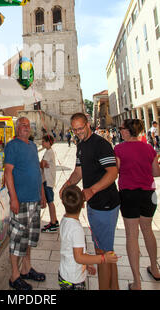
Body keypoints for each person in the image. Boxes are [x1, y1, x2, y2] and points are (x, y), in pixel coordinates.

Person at [59, 112, 120, 290]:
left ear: (88, 125)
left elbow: (112, 172)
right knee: (105, 250)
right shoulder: (81, 146)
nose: (78, 132)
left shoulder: (101, 145)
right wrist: (67, 184)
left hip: (106, 204)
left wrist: (92, 189)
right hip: (94, 204)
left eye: (80, 128)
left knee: (103, 252)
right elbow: (78, 172)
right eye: (75, 130)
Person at [114, 119, 160, 290]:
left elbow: (115, 171)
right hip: (148, 194)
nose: (120, 131)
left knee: (132, 235)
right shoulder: (148, 148)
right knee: (148, 231)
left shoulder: (119, 149)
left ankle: (137, 282)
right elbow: (156, 172)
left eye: (122, 129)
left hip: (129, 194)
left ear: (128, 131)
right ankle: (155, 269)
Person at [4, 117, 47, 291]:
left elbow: (37, 170)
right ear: (16, 128)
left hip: (34, 199)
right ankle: (14, 276)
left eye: (28, 125)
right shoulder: (12, 145)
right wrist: (13, 198)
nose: (26, 127)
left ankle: (26, 268)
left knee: (29, 238)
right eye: (22, 125)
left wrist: (42, 193)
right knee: (17, 239)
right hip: (20, 200)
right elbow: (8, 173)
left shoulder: (32, 146)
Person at [58, 185, 118, 290]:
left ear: (63, 203)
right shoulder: (76, 229)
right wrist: (103, 258)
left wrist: (87, 264)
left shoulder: (64, 220)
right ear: (83, 205)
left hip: (64, 272)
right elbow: (79, 257)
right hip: (74, 279)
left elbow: (73, 251)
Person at [40, 134, 58, 233]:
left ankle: (53, 222)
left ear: (48, 142)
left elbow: (42, 164)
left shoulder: (49, 152)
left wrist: (41, 163)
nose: (42, 143)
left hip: (47, 180)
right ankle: (54, 220)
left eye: (43, 141)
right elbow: (42, 163)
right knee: (50, 201)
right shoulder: (48, 152)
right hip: (48, 179)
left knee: (50, 201)